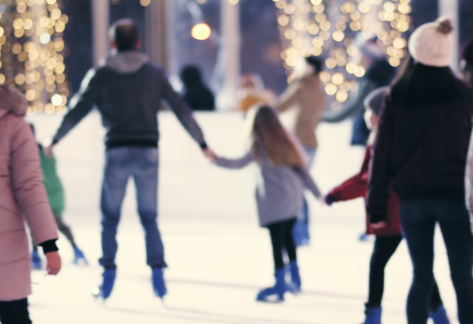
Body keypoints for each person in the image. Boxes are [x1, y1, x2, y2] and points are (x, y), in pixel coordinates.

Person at [46, 19, 215, 301]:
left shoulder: (101, 74)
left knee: (109, 217)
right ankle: (158, 275)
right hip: (149, 151)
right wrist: (202, 143)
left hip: (117, 151)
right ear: (138, 43)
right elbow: (181, 110)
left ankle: (108, 276)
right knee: (149, 216)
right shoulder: (154, 74)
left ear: (113, 44)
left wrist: (55, 138)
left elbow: (78, 109)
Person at [367, 18, 473, 324]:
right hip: (455, 198)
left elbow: (381, 153)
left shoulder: (398, 96)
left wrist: (376, 205)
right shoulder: (465, 95)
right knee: (463, 279)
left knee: (421, 276)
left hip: (412, 199)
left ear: (415, 51)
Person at [325, 87, 450, 324]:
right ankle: (438, 312)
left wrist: (335, 195)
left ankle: (373, 314)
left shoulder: (383, 144)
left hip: (392, 215)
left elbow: (367, 181)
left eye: (368, 111)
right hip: (408, 213)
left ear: (380, 115)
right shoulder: (399, 139)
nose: (364, 116)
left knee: (379, 265)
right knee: (421, 267)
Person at [208, 106, 321, 302]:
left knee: (276, 242)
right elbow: (303, 171)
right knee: (287, 238)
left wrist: (216, 159)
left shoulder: (259, 145)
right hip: (293, 198)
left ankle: (280, 284)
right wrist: (318, 194)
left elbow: (238, 163)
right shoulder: (287, 143)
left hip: (275, 200)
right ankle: (295, 277)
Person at [0, 85, 61, 324]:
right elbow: (30, 186)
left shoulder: (14, 125)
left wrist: (48, 243)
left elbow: (29, 186)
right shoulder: (15, 125)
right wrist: (49, 245)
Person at [274, 55, 326, 247]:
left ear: (310, 68)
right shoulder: (319, 90)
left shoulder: (300, 87)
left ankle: (299, 234)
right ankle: (302, 233)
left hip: (297, 143)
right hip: (311, 142)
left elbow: (279, 106)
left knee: (294, 188)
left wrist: (259, 110)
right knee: (300, 186)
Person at [29, 125, 87, 269]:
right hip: (52, 193)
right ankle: (76, 250)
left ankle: (37, 255)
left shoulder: (31, 152)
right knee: (55, 224)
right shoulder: (44, 150)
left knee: (41, 225)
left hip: (47, 195)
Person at [323, 37, 396, 146]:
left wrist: (328, 118)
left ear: (367, 55)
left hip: (369, 130)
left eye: (359, 53)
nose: (356, 57)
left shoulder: (373, 77)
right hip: (375, 129)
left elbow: (358, 104)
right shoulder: (380, 73)